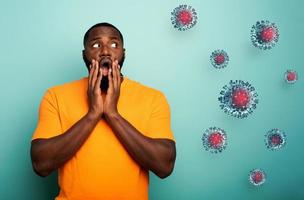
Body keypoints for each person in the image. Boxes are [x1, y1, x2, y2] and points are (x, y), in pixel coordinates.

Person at [30, 22, 176, 200]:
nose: (105, 51)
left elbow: (164, 166)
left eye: (114, 44)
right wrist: (93, 114)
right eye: (96, 45)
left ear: (123, 53)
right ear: (85, 55)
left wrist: (112, 114)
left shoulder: (153, 98)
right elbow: (40, 164)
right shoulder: (55, 96)